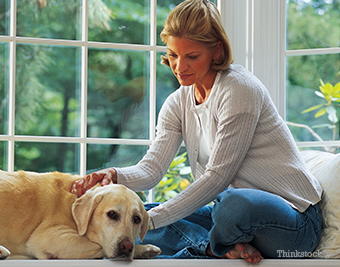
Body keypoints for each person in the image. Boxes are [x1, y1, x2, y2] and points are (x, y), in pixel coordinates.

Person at [73, 0, 322, 263]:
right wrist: (114, 175)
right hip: (231, 223)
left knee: (227, 205)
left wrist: (148, 223)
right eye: (172, 55)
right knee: (132, 215)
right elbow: (152, 170)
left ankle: (212, 246)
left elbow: (217, 179)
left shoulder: (239, 89)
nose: (179, 67)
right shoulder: (177, 103)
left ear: (216, 50)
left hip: (295, 223)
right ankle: (213, 247)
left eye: (191, 56)